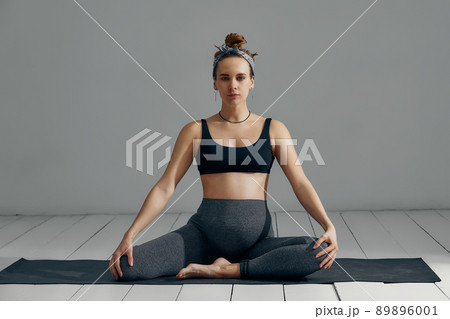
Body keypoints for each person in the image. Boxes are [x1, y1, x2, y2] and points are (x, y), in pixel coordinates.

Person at [109, 33, 338, 281]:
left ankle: (227, 269)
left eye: (240, 78)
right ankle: (235, 266)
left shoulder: (273, 129)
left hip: (256, 242)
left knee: (321, 250)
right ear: (214, 83)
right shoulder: (195, 130)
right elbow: (166, 186)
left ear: (252, 82)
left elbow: (300, 183)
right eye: (225, 78)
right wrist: (130, 234)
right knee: (126, 267)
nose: (233, 86)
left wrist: (328, 225)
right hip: (203, 237)